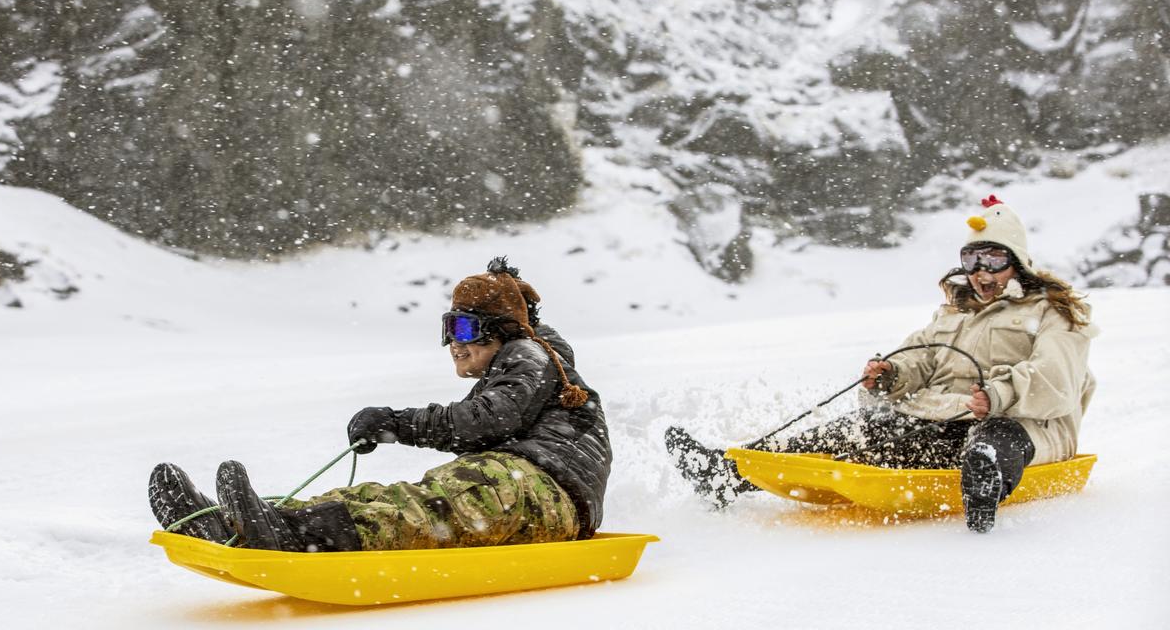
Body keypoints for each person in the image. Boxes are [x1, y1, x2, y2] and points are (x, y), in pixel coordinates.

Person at [665, 196, 1097, 532]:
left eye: (994, 260)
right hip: (945, 421)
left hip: (1027, 424)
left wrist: (998, 395)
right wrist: (890, 375)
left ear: (1016, 262)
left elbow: (1056, 379)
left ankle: (983, 487)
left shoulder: (1051, 312)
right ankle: (727, 473)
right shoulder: (954, 314)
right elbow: (920, 359)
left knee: (993, 437)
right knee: (866, 431)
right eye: (972, 260)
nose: (981, 272)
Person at [149, 257, 612, 551]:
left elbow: (487, 420)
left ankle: (297, 535)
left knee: (439, 501)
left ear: (503, 330)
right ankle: (255, 525)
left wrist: (399, 423)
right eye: (448, 330)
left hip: (548, 493)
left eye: (466, 330)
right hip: (528, 489)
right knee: (390, 496)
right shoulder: (522, 364)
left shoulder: (529, 355)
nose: (454, 343)